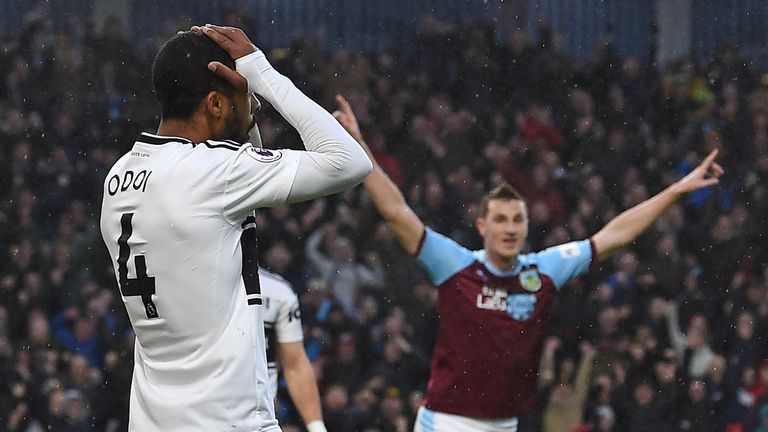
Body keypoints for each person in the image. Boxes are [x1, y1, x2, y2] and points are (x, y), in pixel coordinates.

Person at [332, 94, 723, 431]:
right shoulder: (455, 265)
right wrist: (361, 145)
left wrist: (676, 190)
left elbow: (615, 235)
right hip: (447, 423)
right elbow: (397, 211)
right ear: (482, 226)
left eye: (517, 220)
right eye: (501, 220)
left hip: (506, 425)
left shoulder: (544, 270)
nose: (510, 228)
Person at [99, 25, 371, 432]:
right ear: (214, 103)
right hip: (228, 419)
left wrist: (241, 111)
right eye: (242, 98)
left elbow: (233, 197)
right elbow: (349, 162)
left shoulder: (118, 177)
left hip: (152, 419)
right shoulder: (215, 172)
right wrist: (262, 73)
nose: (252, 104)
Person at [259, 267, 328, 432]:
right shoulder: (196, 283)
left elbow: (295, 364)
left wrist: (317, 428)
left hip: (260, 420)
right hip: (202, 415)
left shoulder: (278, 292)